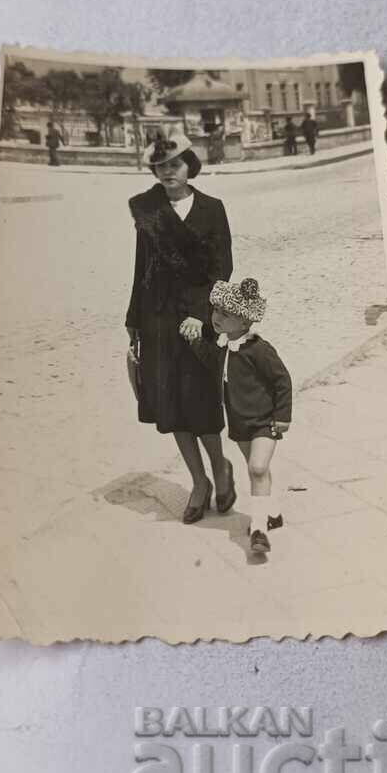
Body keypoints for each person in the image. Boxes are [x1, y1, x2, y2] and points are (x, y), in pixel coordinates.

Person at [125, 132, 236, 524]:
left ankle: (221, 470)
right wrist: (134, 322)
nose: (168, 172)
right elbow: (142, 270)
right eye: (160, 166)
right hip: (158, 320)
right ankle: (199, 482)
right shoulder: (147, 209)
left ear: (191, 165)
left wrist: (202, 315)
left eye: (175, 164)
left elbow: (223, 269)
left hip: (199, 320)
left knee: (202, 405)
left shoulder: (212, 208)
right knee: (172, 406)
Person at [181, 277, 292, 557]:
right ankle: (273, 512)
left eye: (225, 315)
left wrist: (282, 416)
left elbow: (282, 381)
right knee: (258, 470)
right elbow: (210, 359)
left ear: (244, 322)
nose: (216, 318)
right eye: (215, 311)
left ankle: (259, 531)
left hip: (265, 421)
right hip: (241, 423)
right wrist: (195, 342)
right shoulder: (225, 349)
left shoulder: (259, 350)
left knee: (256, 468)